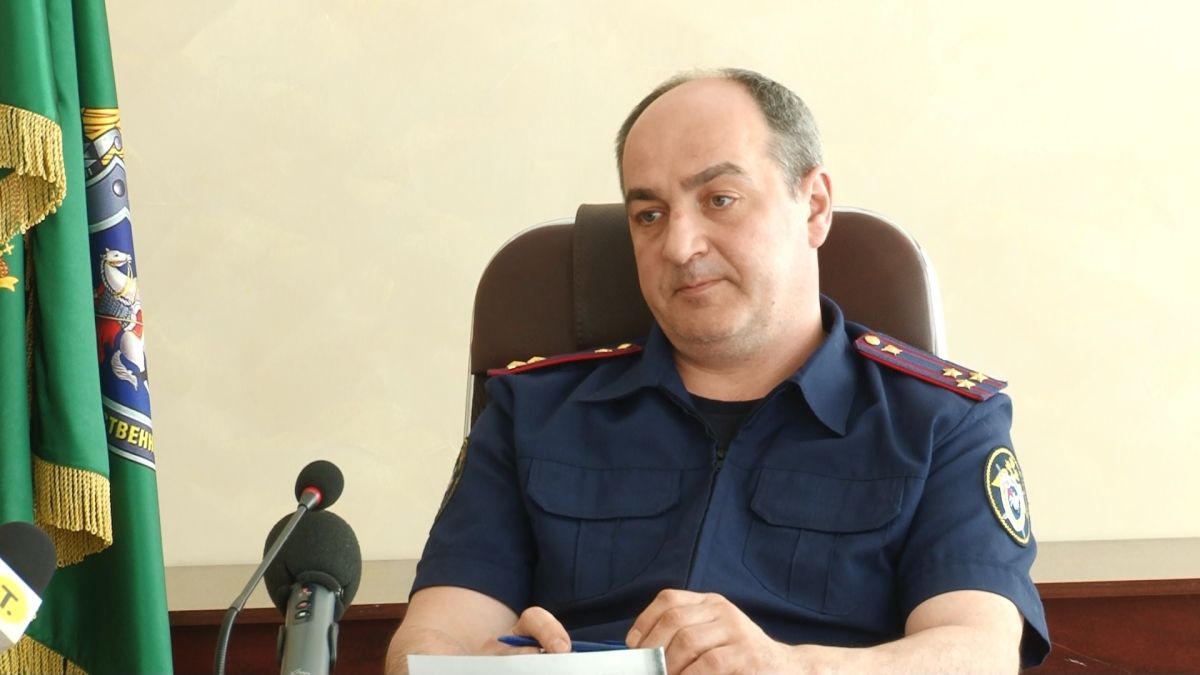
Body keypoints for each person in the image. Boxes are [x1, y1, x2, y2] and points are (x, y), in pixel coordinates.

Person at [386, 68, 1049, 674]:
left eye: (720, 199)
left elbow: (980, 652)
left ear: (814, 205)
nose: (679, 245)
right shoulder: (532, 412)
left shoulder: (941, 422)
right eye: (649, 215)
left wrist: (788, 667)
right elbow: (428, 642)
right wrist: (487, 668)